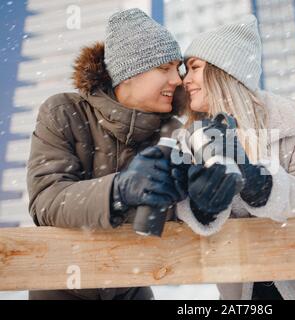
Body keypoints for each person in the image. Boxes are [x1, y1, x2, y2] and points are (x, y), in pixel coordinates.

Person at [175, 15, 295, 300]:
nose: (185, 80)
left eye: (195, 68)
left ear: (224, 71)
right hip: (244, 291)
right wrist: (202, 207)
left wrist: (259, 183)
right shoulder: (189, 139)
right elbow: (183, 213)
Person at [26, 8, 187, 300]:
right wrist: (119, 190)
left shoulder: (173, 132)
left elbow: (176, 217)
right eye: (165, 68)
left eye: (178, 68)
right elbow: (46, 201)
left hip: (131, 287)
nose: (177, 79)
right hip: (60, 285)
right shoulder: (63, 112)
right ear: (129, 73)